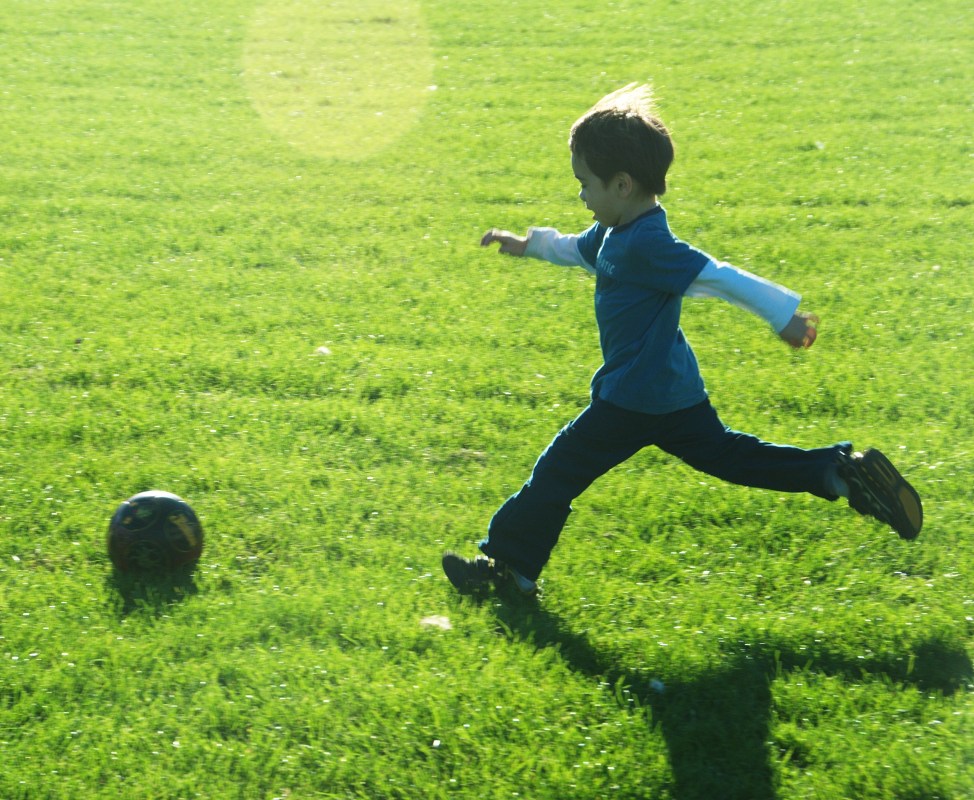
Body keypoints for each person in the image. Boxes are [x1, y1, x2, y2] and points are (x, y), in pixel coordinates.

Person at [442, 84, 922, 597]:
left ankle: (507, 570)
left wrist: (783, 316)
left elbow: (717, 275)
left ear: (621, 185)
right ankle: (839, 474)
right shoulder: (616, 231)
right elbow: (578, 250)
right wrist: (527, 244)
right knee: (733, 457)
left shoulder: (648, 243)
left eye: (584, 184)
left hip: (630, 400)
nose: (581, 196)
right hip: (673, 393)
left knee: (557, 471)